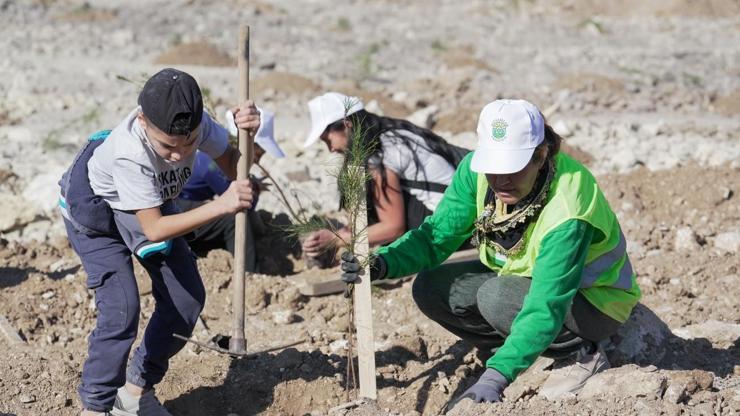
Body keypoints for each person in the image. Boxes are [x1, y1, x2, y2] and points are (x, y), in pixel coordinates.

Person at [341, 99, 641, 407]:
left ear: (541, 156)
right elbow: (435, 237)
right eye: (493, 167)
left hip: (594, 300)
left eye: (512, 168)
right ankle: (520, 350)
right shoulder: (476, 173)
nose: (501, 180)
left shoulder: (567, 209)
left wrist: (496, 377)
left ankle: (579, 354)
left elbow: (546, 303)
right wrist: (382, 262)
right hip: (522, 280)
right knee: (432, 287)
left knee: (496, 297)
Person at [57, 68, 260, 416]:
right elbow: (153, 229)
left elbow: (234, 167)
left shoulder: (196, 127)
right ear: (142, 121)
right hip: (96, 213)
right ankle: (95, 407)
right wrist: (222, 205)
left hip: (148, 202)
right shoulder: (129, 152)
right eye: (168, 145)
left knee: (186, 300)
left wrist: (248, 136)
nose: (180, 155)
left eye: (189, 143)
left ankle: (135, 392)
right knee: (122, 309)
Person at [301, 92, 469, 265]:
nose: (331, 149)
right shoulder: (389, 134)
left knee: (374, 200)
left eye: (328, 140)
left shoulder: (381, 154)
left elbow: (393, 227)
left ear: (347, 125)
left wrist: (336, 240)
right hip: (462, 214)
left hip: (453, 228)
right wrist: (343, 234)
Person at [177, 109, 285, 272]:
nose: (258, 160)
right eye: (259, 153)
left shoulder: (216, 154)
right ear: (248, 144)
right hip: (178, 209)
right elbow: (242, 202)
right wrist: (254, 188)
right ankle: (249, 274)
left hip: (186, 204)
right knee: (234, 220)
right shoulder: (212, 163)